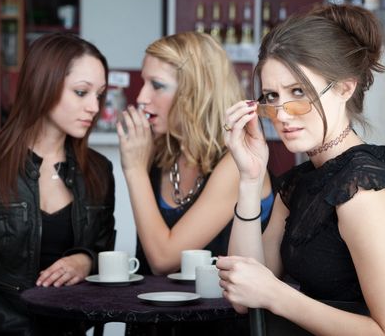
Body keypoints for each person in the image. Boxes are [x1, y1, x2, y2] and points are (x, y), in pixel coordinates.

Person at [218, 3, 385, 335]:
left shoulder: (361, 192)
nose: (282, 114)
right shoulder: (301, 182)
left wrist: (277, 295)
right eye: (271, 96)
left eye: (299, 92)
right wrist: (250, 179)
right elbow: (245, 297)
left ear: (344, 87)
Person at [0, 33, 115, 336]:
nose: (94, 107)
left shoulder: (98, 169)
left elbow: (104, 249)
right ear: (42, 85)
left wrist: (85, 259)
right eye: (81, 92)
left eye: (99, 95)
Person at [117, 32, 273, 334]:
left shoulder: (236, 163)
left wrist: (134, 169)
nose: (141, 97)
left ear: (195, 92)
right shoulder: (160, 154)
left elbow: (163, 259)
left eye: (157, 85)